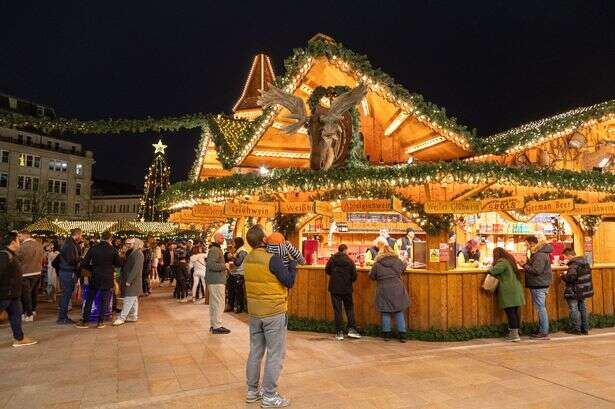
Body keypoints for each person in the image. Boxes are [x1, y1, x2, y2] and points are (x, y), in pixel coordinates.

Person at [244, 224, 297, 407]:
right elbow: (289, 281)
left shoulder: (247, 259)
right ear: (264, 239)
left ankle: (252, 391)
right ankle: (269, 395)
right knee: (276, 354)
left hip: (255, 313)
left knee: (255, 351)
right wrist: (292, 263)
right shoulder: (272, 260)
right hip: (274, 312)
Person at [75, 231, 122, 329]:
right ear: (110, 238)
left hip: (95, 275)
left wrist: (93, 269)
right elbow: (118, 263)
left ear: (101, 238)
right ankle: (100, 322)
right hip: (107, 277)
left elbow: (84, 264)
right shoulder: (112, 249)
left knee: (90, 298)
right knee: (104, 299)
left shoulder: (93, 248)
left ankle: (85, 321)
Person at [0, 232, 37, 347]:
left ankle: (19, 339)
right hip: (5, 294)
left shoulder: (11, 254)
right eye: (18, 240)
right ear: (12, 243)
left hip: (13, 294)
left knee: (16, 315)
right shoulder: (4, 255)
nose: (19, 242)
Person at [369, 244, 410, 343]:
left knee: (385, 311)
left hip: (383, 289)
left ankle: (387, 334)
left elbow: (372, 276)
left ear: (380, 253)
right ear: (392, 251)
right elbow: (403, 268)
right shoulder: (397, 261)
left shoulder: (377, 264)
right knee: (399, 311)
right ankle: (402, 335)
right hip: (397, 288)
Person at [489, 247, 525, 342]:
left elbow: (493, 271)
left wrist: (490, 266)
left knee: (510, 313)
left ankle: (514, 336)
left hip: (508, 290)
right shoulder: (510, 261)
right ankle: (515, 333)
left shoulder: (502, 263)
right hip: (516, 289)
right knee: (515, 312)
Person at [325, 244, 360, 340]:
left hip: (335, 288)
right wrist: (348, 280)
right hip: (346, 288)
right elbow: (354, 276)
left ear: (339, 250)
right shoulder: (350, 261)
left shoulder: (332, 259)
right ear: (345, 251)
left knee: (337, 310)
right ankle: (352, 329)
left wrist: (335, 275)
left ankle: (339, 332)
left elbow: (327, 270)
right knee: (349, 308)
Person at [522, 236, 553, 340]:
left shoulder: (539, 255)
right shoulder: (540, 253)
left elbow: (536, 270)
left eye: (526, 244)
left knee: (541, 308)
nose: (526, 247)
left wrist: (524, 265)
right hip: (540, 283)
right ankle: (542, 329)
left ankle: (544, 332)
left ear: (532, 244)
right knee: (541, 307)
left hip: (539, 284)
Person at [561, 248, 593, 335]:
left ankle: (576, 329)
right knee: (583, 308)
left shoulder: (573, 265)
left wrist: (563, 275)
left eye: (566, 257)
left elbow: (571, 278)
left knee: (574, 309)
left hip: (574, 290)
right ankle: (585, 329)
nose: (566, 259)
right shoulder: (585, 262)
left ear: (570, 255)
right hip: (583, 290)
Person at [113, 238, 144, 325]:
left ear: (136, 244)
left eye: (130, 244)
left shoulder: (138, 253)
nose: (128, 245)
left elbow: (136, 269)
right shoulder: (134, 252)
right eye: (128, 243)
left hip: (133, 281)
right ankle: (133, 316)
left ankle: (122, 318)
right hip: (131, 280)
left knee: (128, 299)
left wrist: (129, 280)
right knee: (133, 299)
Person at [16, 230, 43, 322]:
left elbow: (16, 258)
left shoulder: (23, 246)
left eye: (20, 236)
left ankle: (28, 314)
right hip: (37, 272)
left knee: (25, 295)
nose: (19, 238)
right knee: (34, 293)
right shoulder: (39, 245)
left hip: (25, 273)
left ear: (24, 236)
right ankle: (33, 310)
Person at [57, 228, 83, 324]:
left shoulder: (69, 243)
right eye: (81, 235)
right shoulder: (70, 244)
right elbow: (71, 260)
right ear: (77, 234)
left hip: (66, 271)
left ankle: (62, 316)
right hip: (67, 272)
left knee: (66, 294)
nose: (81, 237)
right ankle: (62, 317)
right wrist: (81, 258)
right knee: (66, 295)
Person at [206, 232, 230, 334]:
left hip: (214, 280)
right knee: (219, 303)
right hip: (216, 280)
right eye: (221, 237)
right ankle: (217, 326)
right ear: (216, 239)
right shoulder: (215, 250)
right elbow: (211, 265)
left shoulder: (215, 249)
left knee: (214, 303)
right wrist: (225, 266)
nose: (223, 239)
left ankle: (214, 325)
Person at [227, 237, 248, 313]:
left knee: (238, 292)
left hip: (239, 274)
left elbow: (238, 263)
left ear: (237, 243)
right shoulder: (238, 251)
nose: (232, 244)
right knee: (231, 290)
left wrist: (232, 257)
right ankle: (230, 305)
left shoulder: (243, 251)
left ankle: (239, 307)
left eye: (233, 243)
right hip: (234, 273)